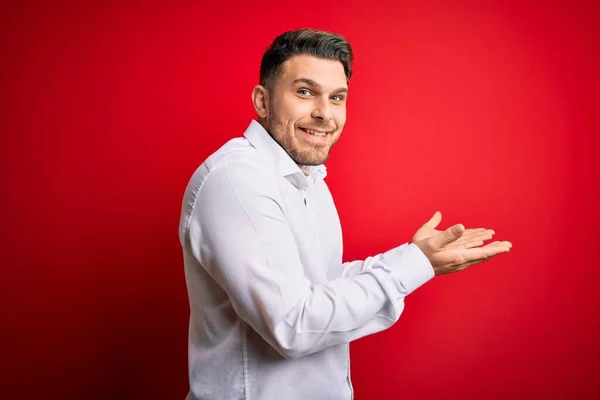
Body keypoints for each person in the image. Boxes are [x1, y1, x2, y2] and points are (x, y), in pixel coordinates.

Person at [178, 28, 512, 400]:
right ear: (262, 100)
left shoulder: (308, 179)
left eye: (337, 97)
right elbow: (294, 326)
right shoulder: (237, 180)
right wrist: (412, 266)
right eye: (305, 92)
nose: (324, 113)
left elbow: (321, 285)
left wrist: (417, 258)